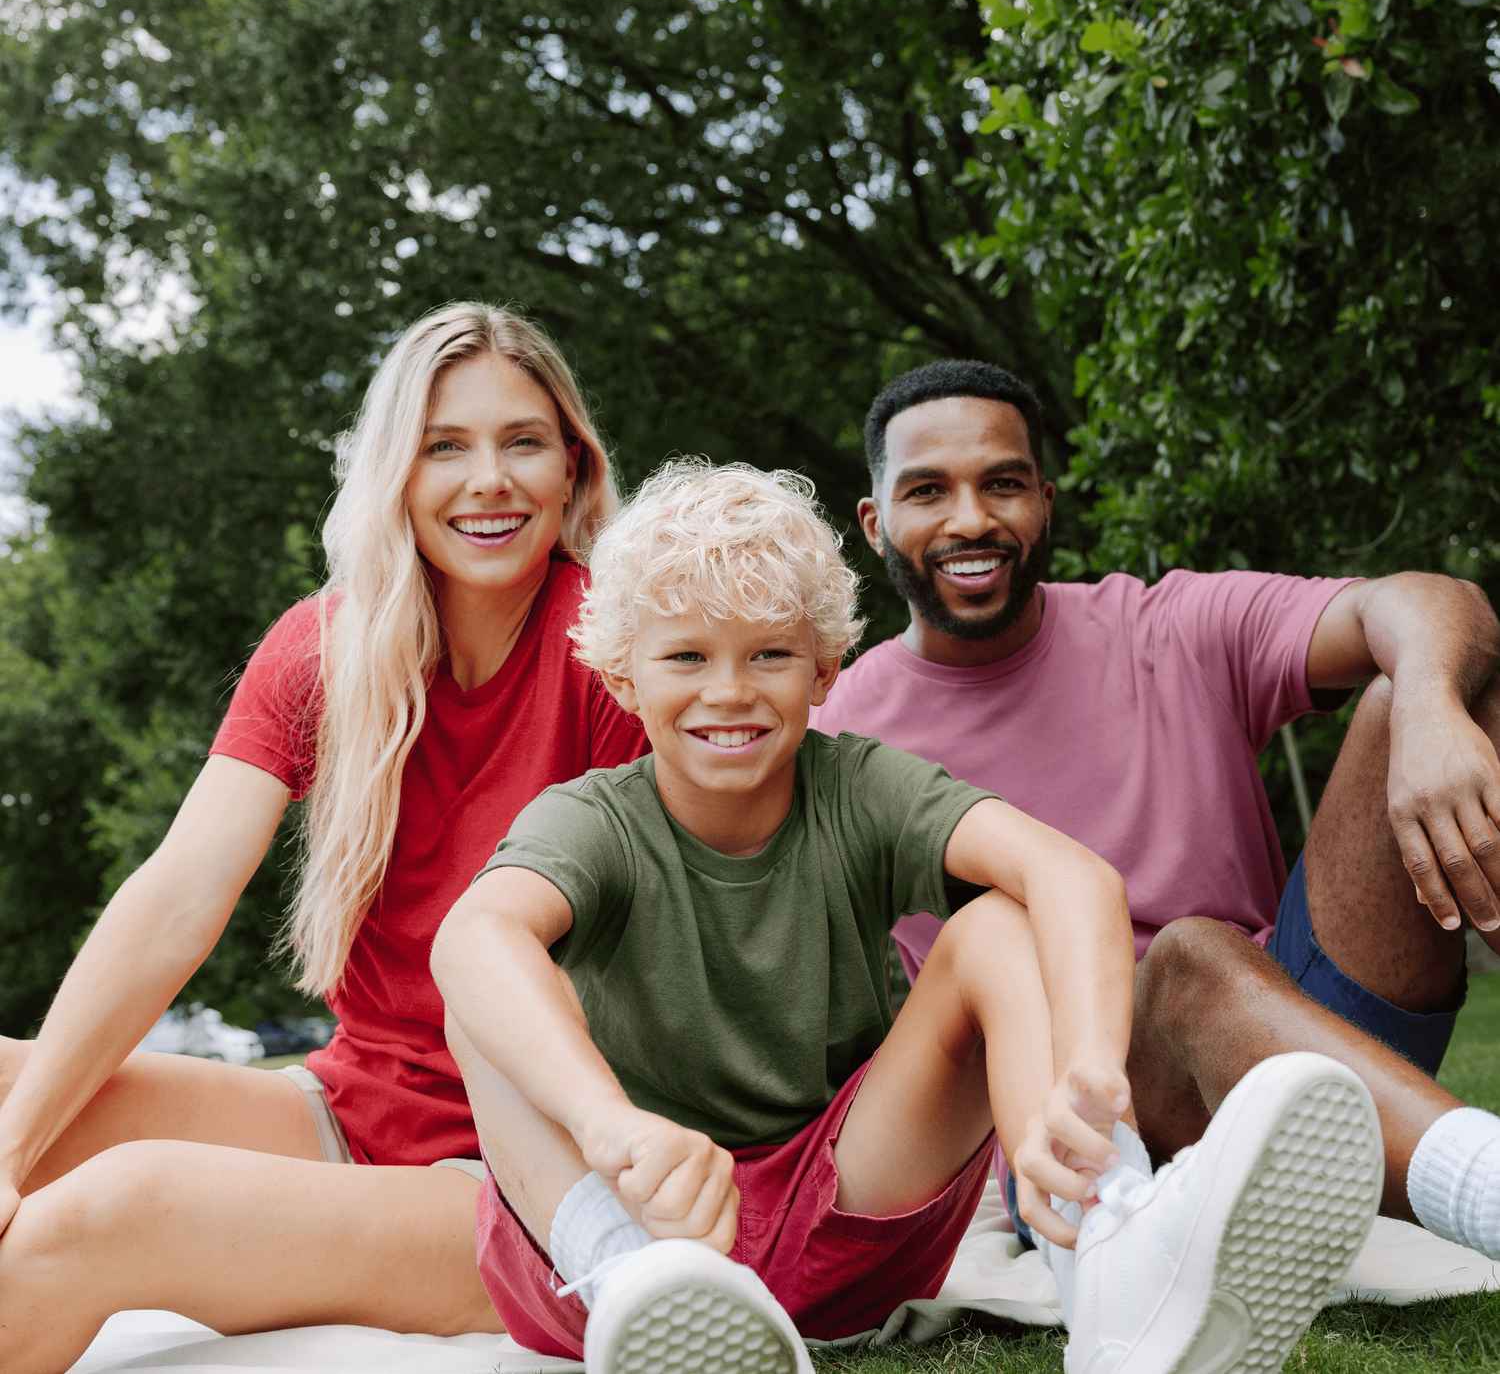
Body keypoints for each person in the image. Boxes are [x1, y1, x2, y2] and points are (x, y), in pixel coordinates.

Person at [431, 458, 1384, 1374]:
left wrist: (1093, 1070)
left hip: (841, 1221)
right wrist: (614, 1132)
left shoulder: (857, 788)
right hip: (630, 1236)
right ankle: (635, 1283)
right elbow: (475, 941)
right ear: (623, 678)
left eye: (769, 653)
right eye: (688, 655)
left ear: (825, 671)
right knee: (483, 966)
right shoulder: (593, 820)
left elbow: (1069, 874)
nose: (729, 689)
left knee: (995, 926)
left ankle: (1112, 1256)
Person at [0, 303, 649, 1373]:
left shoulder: (620, 656)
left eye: (523, 441)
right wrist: (16, 1146)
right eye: (446, 446)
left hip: (527, 1179)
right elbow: (178, 897)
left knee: (113, 1215)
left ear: (574, 471)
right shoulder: (325, 647)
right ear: (396, 472)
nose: (488, 478)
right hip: (346, 1113)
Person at [814, 358, 1500, 1262]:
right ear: (875, 522)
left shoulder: (1166, 625)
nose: (971, 519)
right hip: (1086, 1124)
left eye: (1004, 484)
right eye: (929, 491)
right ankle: (1481, 1183)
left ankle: (1397, 1156)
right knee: (1187, 961)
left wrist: (1425, 708)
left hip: (1312, 1036)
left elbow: (1428, 603)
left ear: (1046, 503)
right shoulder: (834, 736)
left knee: (1446, 682)